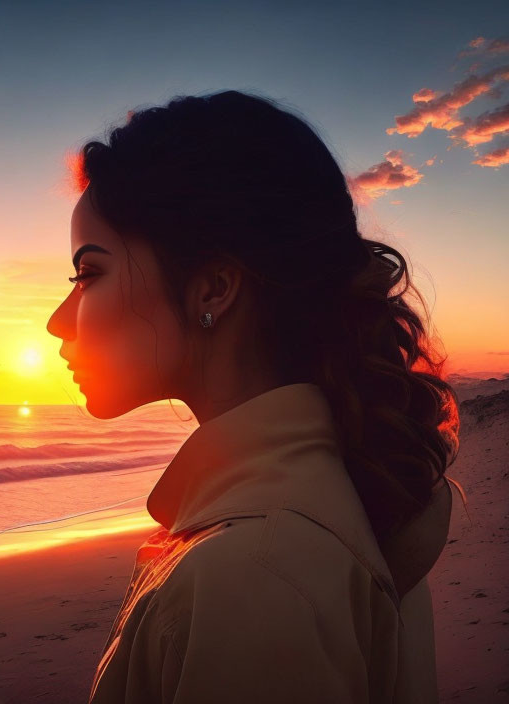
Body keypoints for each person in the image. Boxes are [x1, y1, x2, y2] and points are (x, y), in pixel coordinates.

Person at [45, 90, 466, 703]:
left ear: (213, 288)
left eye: (90, 273)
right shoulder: (349, 498)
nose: (60, 320)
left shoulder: (252, 573)